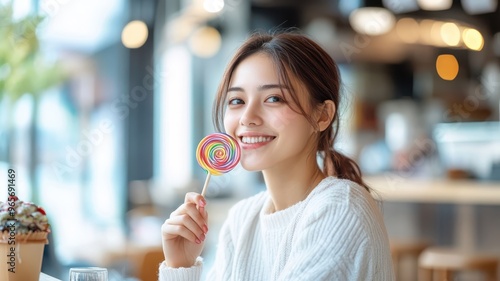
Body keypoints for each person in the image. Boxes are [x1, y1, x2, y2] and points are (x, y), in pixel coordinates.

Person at [159, 31, 395, 281]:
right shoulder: (241, 220)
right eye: (237, 100)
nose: (247, 117)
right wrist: (180, 265)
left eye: (274, 98)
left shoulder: (341, 208)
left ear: (322, 115)